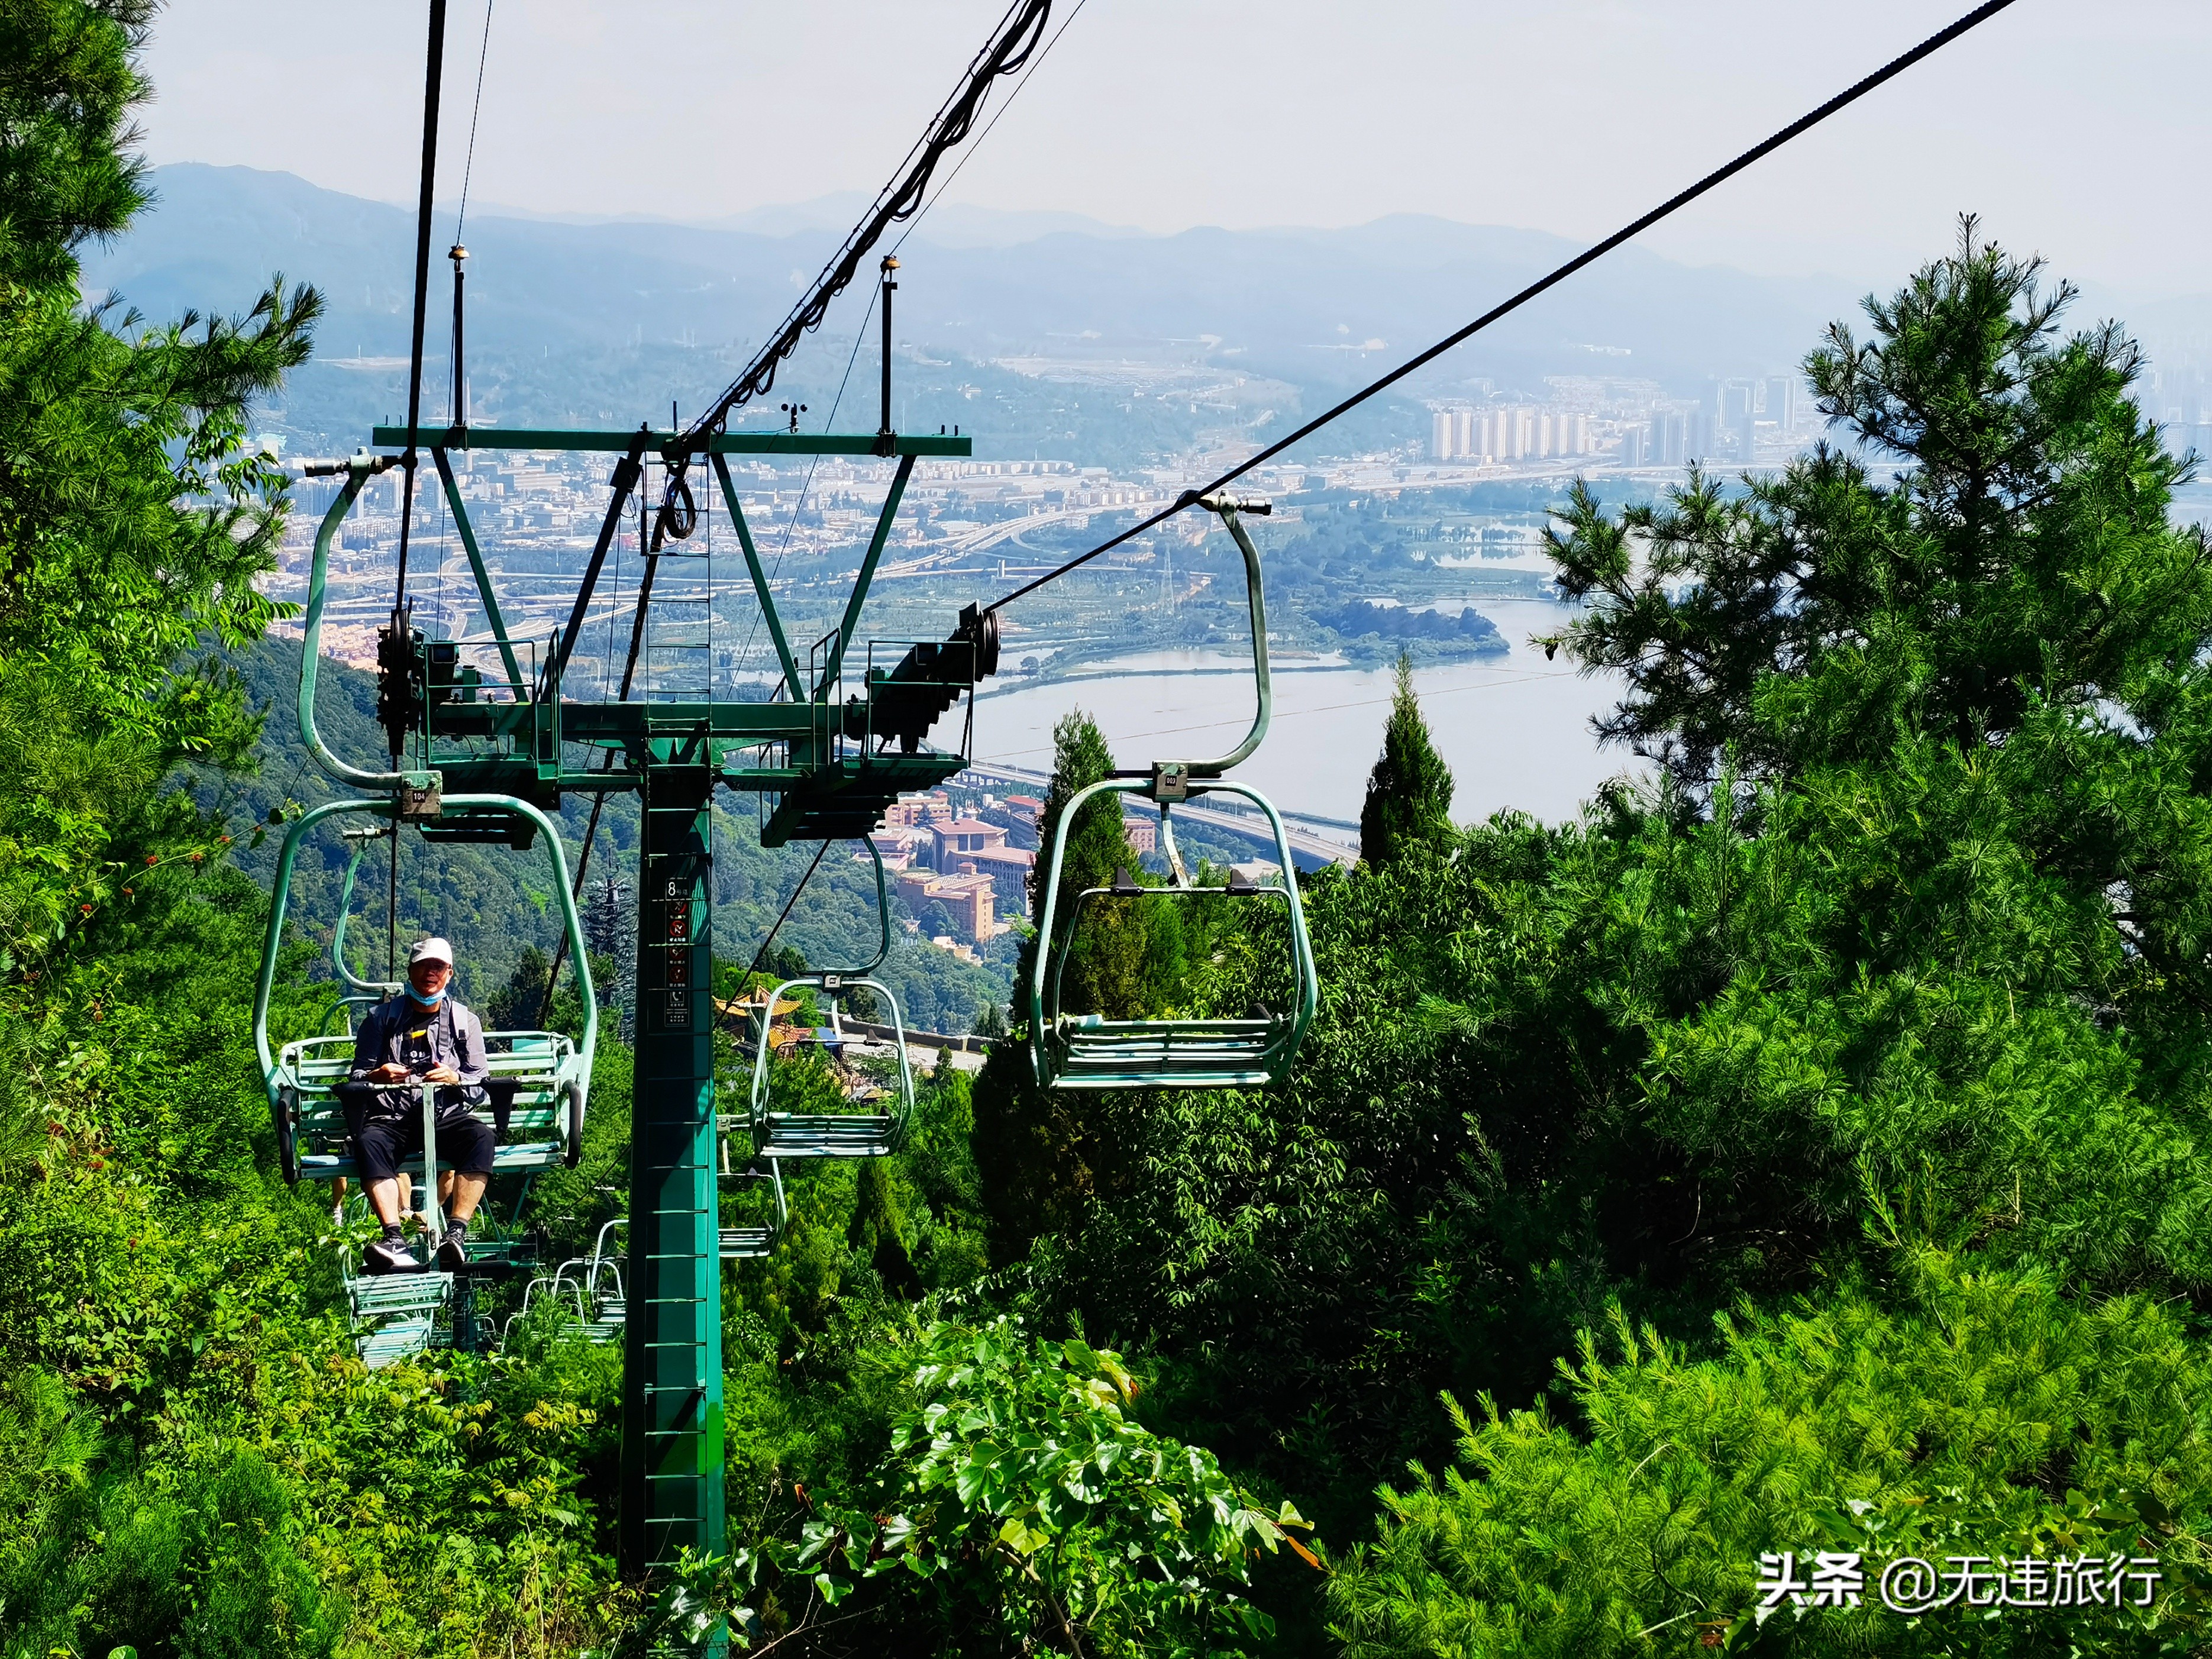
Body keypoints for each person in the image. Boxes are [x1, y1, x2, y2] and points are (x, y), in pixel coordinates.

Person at [345, 937, 496, 1274]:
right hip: (393, 1116)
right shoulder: (380, 1019)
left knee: (482, 1138)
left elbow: (479, 1084)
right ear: (410, 971)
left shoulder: (464, 1022)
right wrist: (378, 1076)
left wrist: (455, 1079)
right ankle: (394, 1238)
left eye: (438, 967)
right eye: (424, 966)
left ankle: (456, 1233)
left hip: (443, 1116)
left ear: (449, 973)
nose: (431, 973)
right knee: (369, 1143)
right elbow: (357, 1076)